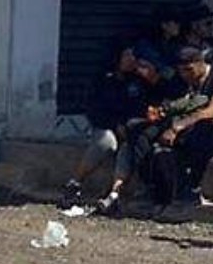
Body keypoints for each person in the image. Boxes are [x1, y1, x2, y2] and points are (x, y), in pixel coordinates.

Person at [61, 42, 162, 214]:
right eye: (127, 56)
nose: (131, 60)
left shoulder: (138, 82)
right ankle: (74, 184)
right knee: (106, 143)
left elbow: (145, 105)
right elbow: (96, 109)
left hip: (131, 127)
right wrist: (115, 125)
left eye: (133, 56)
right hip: (107, 126)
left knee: (127, 148)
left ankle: (114, 195)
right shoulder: (104, 79)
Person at [145, 47, 213, 222]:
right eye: (182, 71)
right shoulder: (184, 81)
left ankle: (192, 189)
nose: (186, 75)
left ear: (201, 64)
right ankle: (160, 196)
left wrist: (179, 126)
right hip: (183, 126)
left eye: (190, 70)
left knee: (203, 129)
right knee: (148, 138)